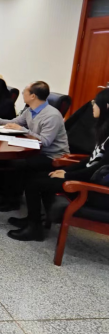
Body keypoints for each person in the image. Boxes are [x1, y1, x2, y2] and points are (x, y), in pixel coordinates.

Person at [7, 89, 109, 241]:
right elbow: (90, 160)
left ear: (106, 107)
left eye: (96, 102)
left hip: (94, 190)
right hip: (87, 178)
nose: (92, 105)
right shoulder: (104, 132)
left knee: (35, 183)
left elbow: (97, 168)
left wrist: (68, 175)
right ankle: (33, 220)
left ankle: (34, 229)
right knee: (35, 175)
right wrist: (65, 171)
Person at [0, 81, 70, 212]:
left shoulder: (52, 115)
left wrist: (23, 130)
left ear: (33, 96)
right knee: (9, 161)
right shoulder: (30, 110)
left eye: (25, 92)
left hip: (53, 156)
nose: (22, 94)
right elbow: (14, 122)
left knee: (17, 164)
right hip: (36, 151)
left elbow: (45, 141)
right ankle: (2, 197)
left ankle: (12, 201)